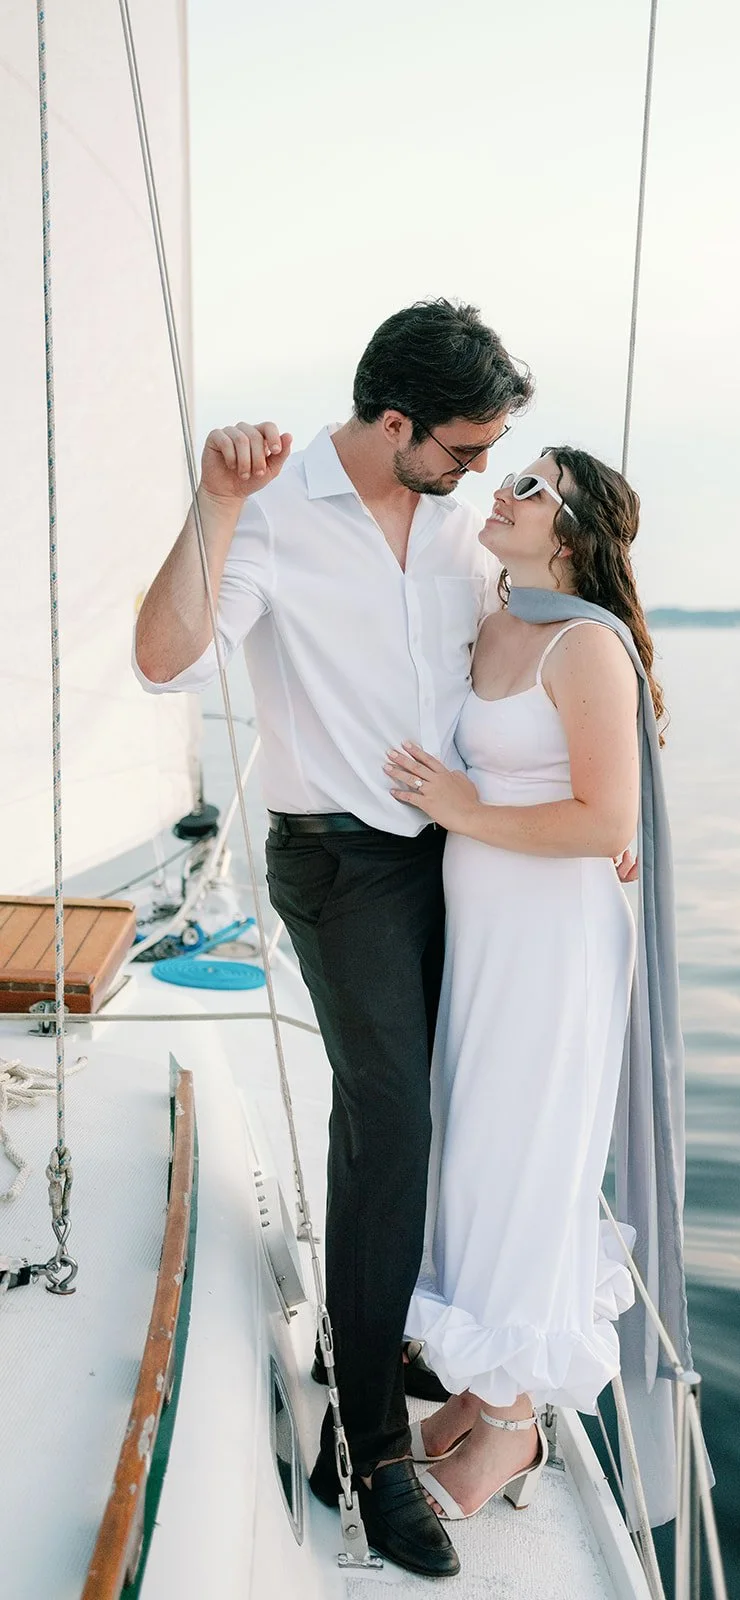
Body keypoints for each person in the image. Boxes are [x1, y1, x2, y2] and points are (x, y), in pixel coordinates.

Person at [133, 300, 533, 1579]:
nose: (483, 468)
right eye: (466, 446)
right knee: (388, 1118)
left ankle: (393, 1327)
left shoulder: (463, 519)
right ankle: (366, 1444)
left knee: (465, 1103)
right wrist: (214, 504)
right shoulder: (273, 511)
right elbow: (163, 662)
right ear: (394, 421)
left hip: (466, 852)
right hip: (341, 861)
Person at [380, 447, 666, 1519]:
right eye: (514, 476)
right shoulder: (500, 618)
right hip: (488, 938)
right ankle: (478, 1387)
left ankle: (511, 1428)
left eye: (533, 487)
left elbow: (607, 820)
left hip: (554, 946)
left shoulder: (585, 645)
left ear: (575, 533)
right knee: (473, 1152)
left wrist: (463, 809)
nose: (503, 490)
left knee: (523, 1157)